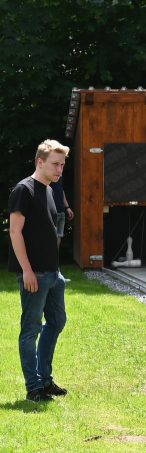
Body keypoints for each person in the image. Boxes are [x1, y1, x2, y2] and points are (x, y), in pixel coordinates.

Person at [8, 139, 70, 402]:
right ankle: (34, 388)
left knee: (57, 322)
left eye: (63, 165)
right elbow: (15, 231)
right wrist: (27, 271)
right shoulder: (24, 190)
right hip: (34, 274)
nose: (60, 170)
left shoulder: (49, 190)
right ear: (40, 162)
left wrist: (55, 271)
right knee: (30, 330)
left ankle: (45, 380)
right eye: (55, 164)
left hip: (53, 274)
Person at [50, 176, 73, 246]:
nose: (60, 167)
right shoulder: (47, 174)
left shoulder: (60, 176)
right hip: (51, 212)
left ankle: (55, 256)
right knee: (50, 236)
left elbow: (61, 190)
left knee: (59, 236)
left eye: (62, 165)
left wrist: (67, 207)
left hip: (61, 211)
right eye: (57, 164)